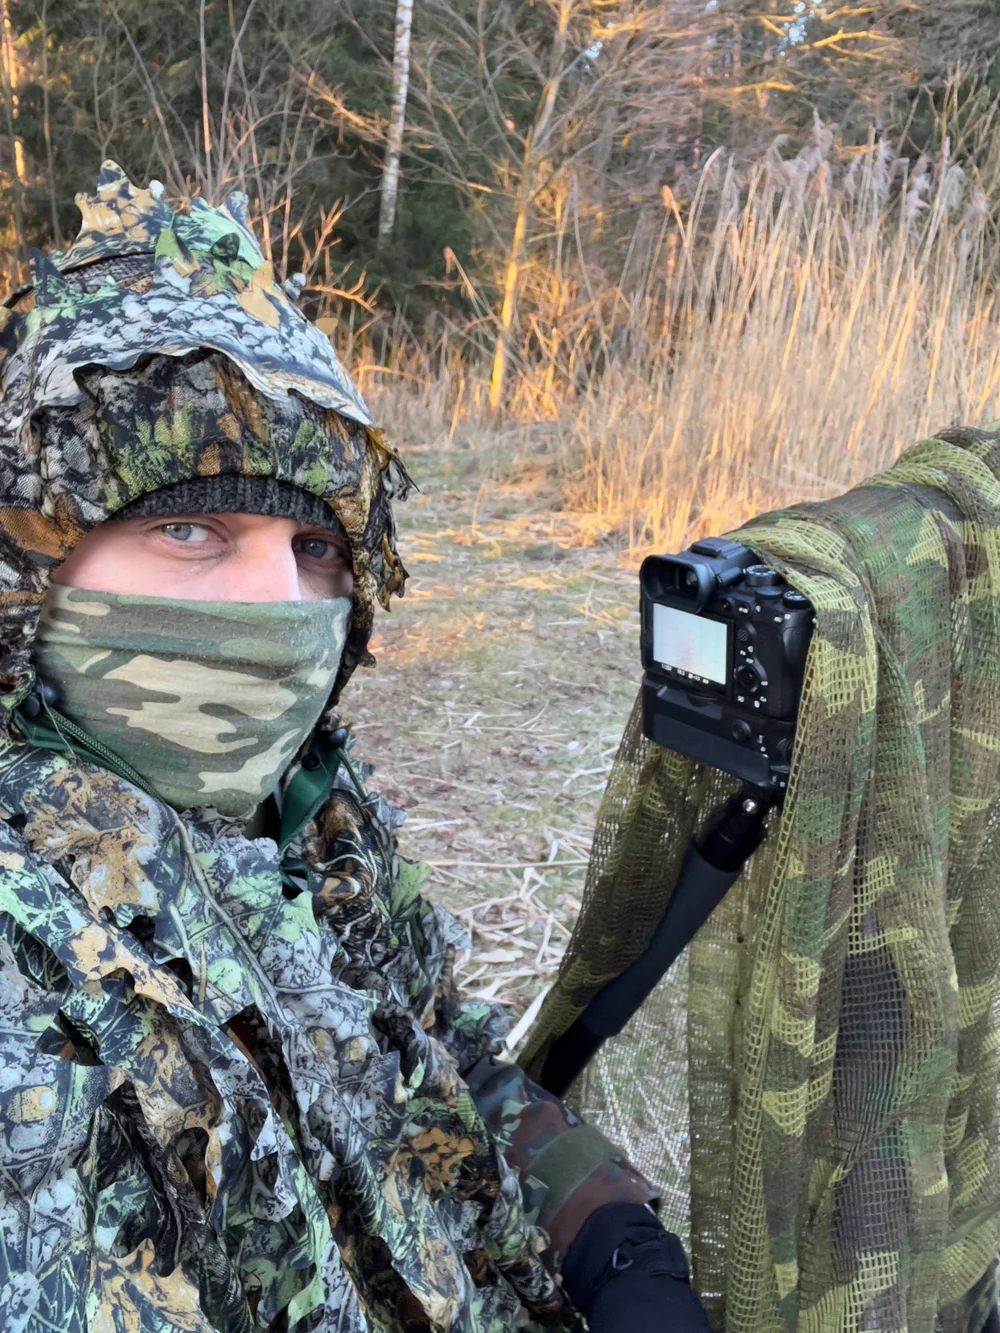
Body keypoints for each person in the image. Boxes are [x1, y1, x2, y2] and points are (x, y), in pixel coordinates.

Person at [0, 162, 713, 1332]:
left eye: (317, 548)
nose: (278, 606)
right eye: (190, 526)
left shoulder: (312, 811)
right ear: (34, 566)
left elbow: (439, 1058)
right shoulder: (34, 969)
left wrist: (609, 1237)